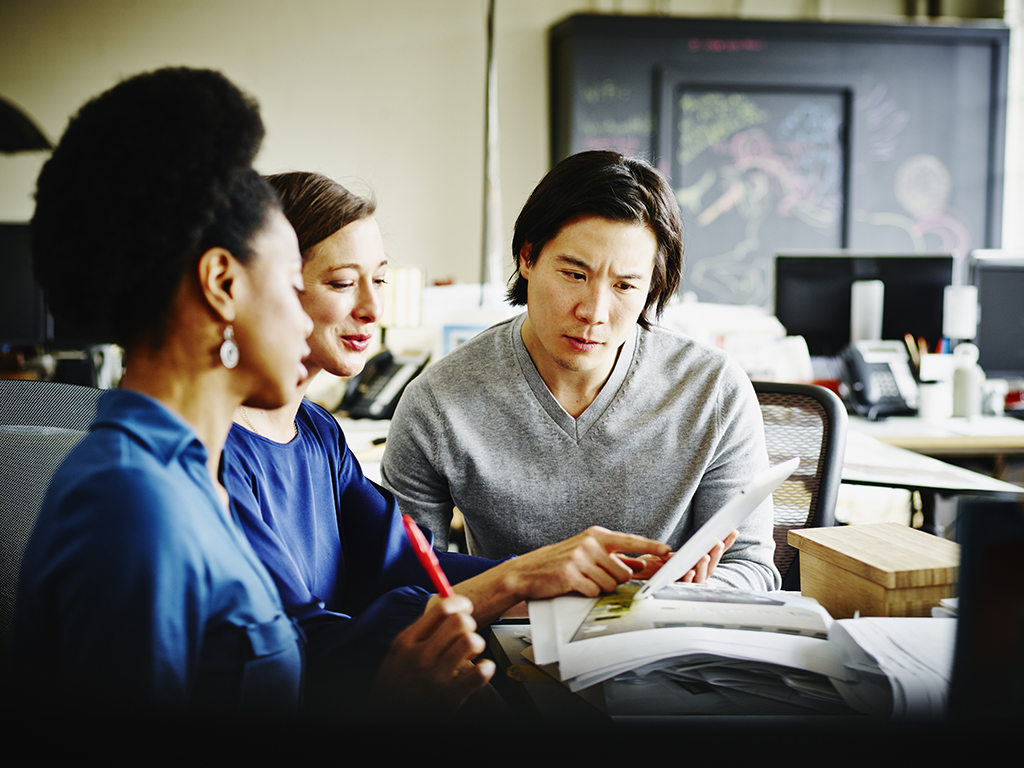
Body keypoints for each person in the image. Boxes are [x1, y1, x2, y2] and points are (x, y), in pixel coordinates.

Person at [12, 68, 485, 719]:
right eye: (292, 280)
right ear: (222, 285)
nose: (305, 315)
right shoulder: (132, 508)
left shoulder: (185, 476)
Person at [221, 171, 673, 715]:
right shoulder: (214, 454)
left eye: (380, 281)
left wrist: (565, 579)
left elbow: (408, 564)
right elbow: (300, 647)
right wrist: (513, 580)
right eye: (342, 283)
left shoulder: (316, 430)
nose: (371, 309)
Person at [382, 150, 780, 593]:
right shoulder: (437, 403)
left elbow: (753, 566)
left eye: (625, 286)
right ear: (528, 257)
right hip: (512, 642)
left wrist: (685, 592)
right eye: (574, 275)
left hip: (664, 637)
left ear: (653, 286)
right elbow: (408, 584)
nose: (594, 312)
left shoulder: (714, 390)